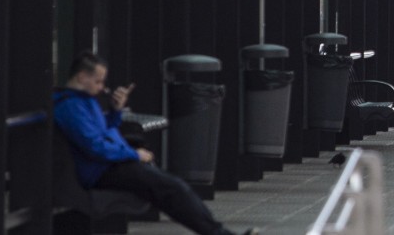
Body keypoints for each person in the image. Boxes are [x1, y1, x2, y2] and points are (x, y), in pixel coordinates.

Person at [53, 52, 256, 235]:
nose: (101, 87)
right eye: (97, 81)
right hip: (103, 170)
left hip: (109, 164)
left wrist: (115, 110)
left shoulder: (81, 101)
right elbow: (95, 145)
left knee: (171, 191)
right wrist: (135, 155)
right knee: (173, 189)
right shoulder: (71, 106)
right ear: (81, 77)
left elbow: (99, 131)